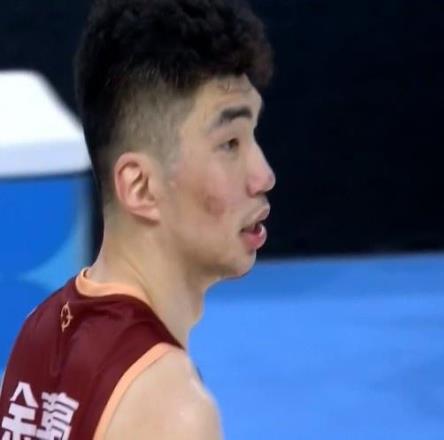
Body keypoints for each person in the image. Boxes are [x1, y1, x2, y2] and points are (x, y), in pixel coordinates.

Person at [0, 0, 276, 438]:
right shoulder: (175, 411)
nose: (263, 176)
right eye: (229, 144)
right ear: (141, 187)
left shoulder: (42, 325)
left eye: (252, 136)